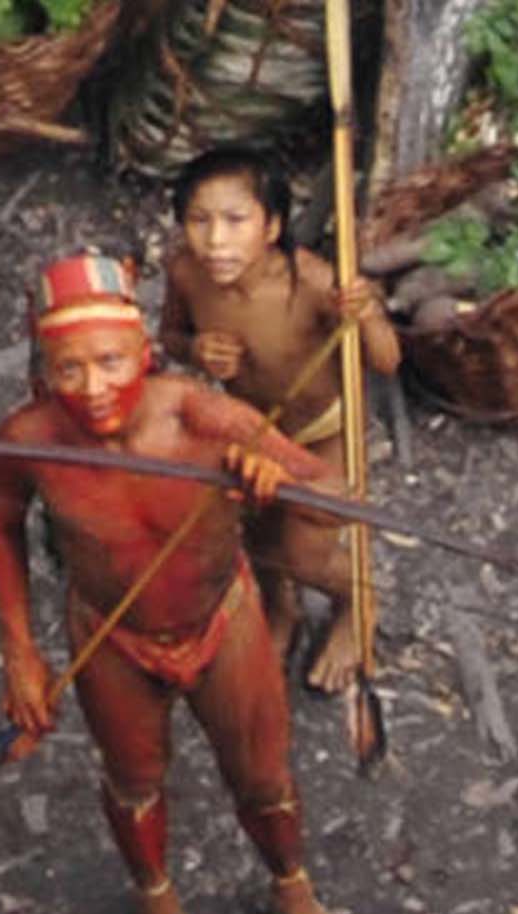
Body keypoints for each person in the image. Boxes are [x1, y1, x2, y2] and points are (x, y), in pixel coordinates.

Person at [0, 252, 371, 914]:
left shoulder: (202, 417)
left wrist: (277, 482)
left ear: (144, 353)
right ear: (43, 373)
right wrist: (19, 653)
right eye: (69, 370)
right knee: (133, 781)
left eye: (110, 362)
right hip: (112, 634)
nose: (92, 387)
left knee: (263, 777)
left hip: (219, 618)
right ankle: (158, 906)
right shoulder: (28, 439)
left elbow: (336, 495)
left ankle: (294, 893)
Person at [159, 146, 401, 691]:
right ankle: (280, 609)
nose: (215, 241)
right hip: (252, 430)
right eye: (199, 220)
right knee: (258, 537)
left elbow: (387, 361)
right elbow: (169, 335)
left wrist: (365, 317)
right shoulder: (186, 273)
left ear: (271, 227)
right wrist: (195, 350)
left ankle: (357, 601)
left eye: (235, 220)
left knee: (306, 551)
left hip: (323, 434)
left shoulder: (313, 284)